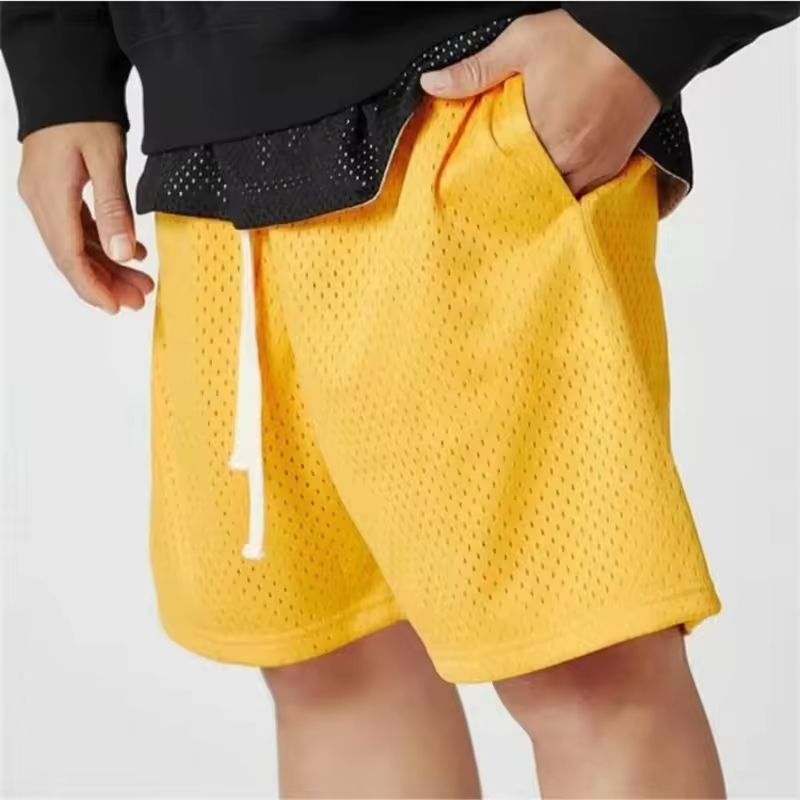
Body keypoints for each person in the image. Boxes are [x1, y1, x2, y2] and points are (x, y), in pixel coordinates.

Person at [2, 3, 797, 797]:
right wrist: (59, 61)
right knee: (333, 667)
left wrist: (641, 29)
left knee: (586, 673)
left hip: (460, 100)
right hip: (205, 153)